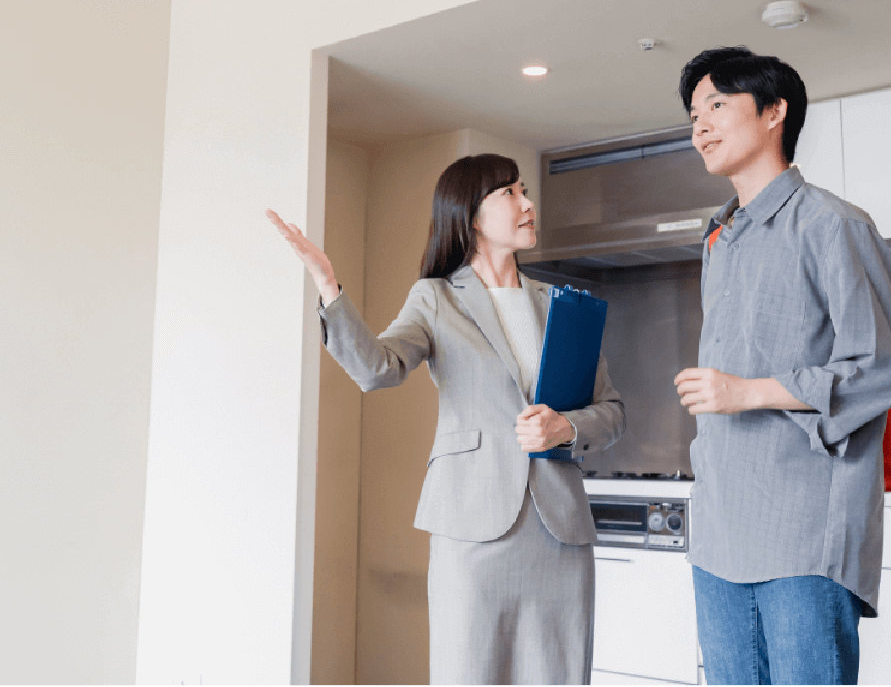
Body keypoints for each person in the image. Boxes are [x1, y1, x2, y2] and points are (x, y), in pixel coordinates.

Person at [268, 153, 626, 686]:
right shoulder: (435, 298)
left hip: (559, 534)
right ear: (472, 216)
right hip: (473, 526)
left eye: (525, 191)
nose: (528, 203)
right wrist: (327, 284)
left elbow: (611, 412)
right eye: (510, 193)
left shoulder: (562, 305)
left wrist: (565, 428)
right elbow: (377, 368)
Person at [671, 47, 891, 685]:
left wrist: (748, 392)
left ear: (774, 112)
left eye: (717, 104)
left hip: (803, 527)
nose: (700, 125)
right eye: (694, 114)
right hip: (719, 526)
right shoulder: (719, 239)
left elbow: (885, 367)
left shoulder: (834, 225)